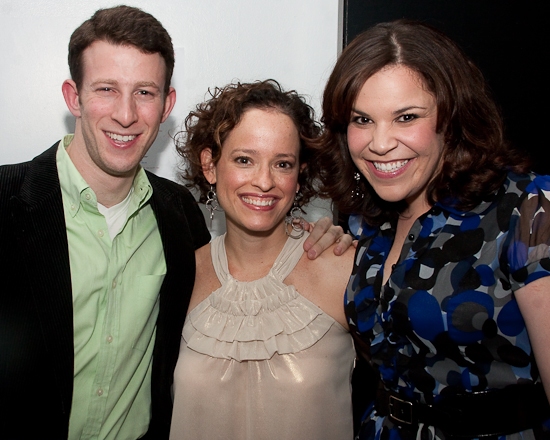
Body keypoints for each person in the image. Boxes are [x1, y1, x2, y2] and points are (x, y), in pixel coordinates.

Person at [0, 6, 349, 440]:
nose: (126, 114)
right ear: (74, 97)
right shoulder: (4, 201)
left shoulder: (178, 216)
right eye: (107, 89)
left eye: (145, 92)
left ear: (166, 103)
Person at [315, 19, 550, 440]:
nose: (380, 142)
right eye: (361, 119)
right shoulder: (370, 222)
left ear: (452, 116)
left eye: (406, 117)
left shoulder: (529, 209)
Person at [169, 80, 356, 440]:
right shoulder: (180, 275)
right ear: (210, 166)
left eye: (282, 163)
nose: (264, 181)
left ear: (300, 174)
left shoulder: (342, 267)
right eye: (244, 160)